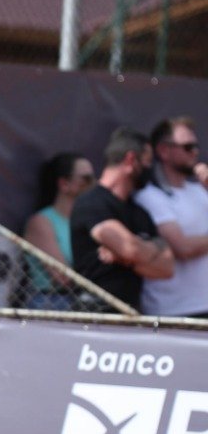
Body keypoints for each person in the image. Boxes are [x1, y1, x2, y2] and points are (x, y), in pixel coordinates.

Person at [69, 126, 173, 314]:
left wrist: (125, 258)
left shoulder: (140, 212)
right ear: (131, 160)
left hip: (130, 314)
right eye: (147, 162)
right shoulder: (92, 202)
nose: (150, 169)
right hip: (93, 315)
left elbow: (166, 267)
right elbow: (130, 248)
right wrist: (147, 250)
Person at [134, 117, 208, 318]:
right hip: (175, 311)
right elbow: (183, 247)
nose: (195, 152)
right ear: (164, 151)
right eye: (187, 146)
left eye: (196, 146)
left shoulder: (201, 191)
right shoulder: (150, 197)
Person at [21, 152, 95, 311]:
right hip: (51, 302)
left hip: (83, 303)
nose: (93, 184)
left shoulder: (88, 221)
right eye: (86, 179)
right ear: (64, 184)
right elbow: (63, 277)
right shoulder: (41, 222)